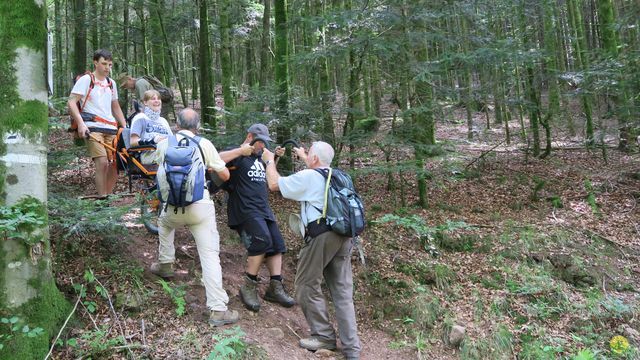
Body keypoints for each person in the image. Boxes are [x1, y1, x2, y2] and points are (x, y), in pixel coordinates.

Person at [263, 141, 361, 360]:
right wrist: (305, 156)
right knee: (343, 294)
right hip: (345, 236)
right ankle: (352, 350)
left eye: (309, 157)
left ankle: (324, 336)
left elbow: (274, 184)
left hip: (321, 236)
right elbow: (316, 167)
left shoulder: (310, 177)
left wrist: (270, 161)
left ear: (315, 159)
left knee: (306, 284)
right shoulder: (338, 176)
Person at [152, 108, 239, 327]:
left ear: (176, 124)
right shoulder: (204, 144)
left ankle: (165, 264)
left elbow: (159, 169)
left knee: (163, 224)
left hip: (172, 207)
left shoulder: (164, 144)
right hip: (200, 207)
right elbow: (225, 174)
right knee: (209, 255)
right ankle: (218, 309)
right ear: (197, 126)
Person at [218, 124, 295, 312]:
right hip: (245, 209)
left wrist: (273, 159)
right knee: (261, 241)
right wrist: (240, 151)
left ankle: (275, 287)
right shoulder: (239, 155)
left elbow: (265, 178)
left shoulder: (258, 158)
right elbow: (216, 159)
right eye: (260, 142)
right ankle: (248, 286)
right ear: (250, 136)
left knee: (277, 245)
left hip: (263, 209)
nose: (263, 146)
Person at [68, 49, 127, 197]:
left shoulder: (111, 83)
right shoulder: (86, 80)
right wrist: (81, 124)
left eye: (110, 64)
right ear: (95, 63)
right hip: (93, 126)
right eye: (104, 63)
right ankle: (102, 199)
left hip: (111, 128)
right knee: (102, 162)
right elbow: (71, 102)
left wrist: (125, 126)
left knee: (116, 164)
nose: (107, 67)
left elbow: (115, 106)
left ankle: (106, 197)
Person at [129, 89, 172, 164]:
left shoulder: (163, 121)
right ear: (145, 102)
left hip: (165, 152)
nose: (157, 101)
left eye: (158, 99)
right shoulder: (140, 118)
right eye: (153, 99)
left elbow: (172, 139)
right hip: (147, 154)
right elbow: (133, 142)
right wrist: (153, 140)